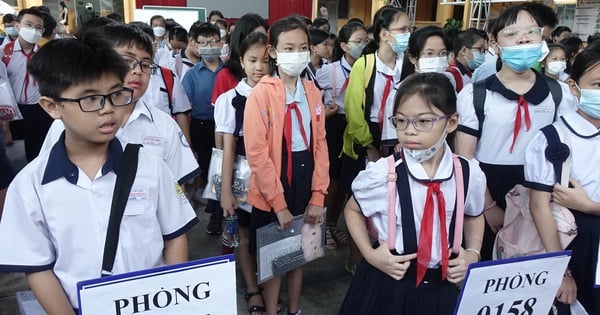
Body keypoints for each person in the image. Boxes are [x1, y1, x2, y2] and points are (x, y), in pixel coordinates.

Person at [0, 33, 199, 314]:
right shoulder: (30, 185)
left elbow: (175, 236)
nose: (108, 110)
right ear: (52, 106)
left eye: (116, 94)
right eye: (90, 99)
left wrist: (173, 301)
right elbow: (38, 268)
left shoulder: (150, 166)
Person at [339, 72, 485, 314]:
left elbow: (473, 214)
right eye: (401, 121)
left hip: (441, 285)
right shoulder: (383, 174)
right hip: (388, 281)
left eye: (424, 121)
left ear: (451, 122)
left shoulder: (468, 173)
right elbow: (352, 209)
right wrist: (370, 254)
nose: (410, 131)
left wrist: (473, 252)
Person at [454, 5, 578, 261]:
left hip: (543, 193)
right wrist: (488, 207)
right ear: (495, 43)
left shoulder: (559, 94)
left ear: (542, 38)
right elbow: (465, 159)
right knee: (490, 267)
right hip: (488, 188)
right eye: (512, 34)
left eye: (532, 32)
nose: (523, 39)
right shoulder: (476, 95)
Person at [41, 23, 199, 186]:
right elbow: (46, 179)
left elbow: (177, 187)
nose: (138, 71)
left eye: (145, 65)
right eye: (127, 61)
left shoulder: (164, 125)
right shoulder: (67, 123)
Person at [244, 16, 329, 315]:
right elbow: (257, 153)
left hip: (305, 176)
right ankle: (271, 310)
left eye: (303, 47)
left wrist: (318, 195)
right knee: (274, 256)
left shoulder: (312, 91)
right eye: (289, 47)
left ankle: (294, 310)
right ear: (274, 52)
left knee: (300, 252)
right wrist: (277, 204)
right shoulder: (262, 93)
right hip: (274, 180)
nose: (298, 54)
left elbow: (320, 144)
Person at [526, 42, 600, 314]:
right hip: (574, 243)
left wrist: (591, 206)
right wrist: (561, 269)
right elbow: (539, 206)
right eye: (598, 84)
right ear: (573, 86)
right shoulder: (554, 138)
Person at [215, 31, 270, 315]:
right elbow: (226, 148)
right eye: (252, 60)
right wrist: (226, 191)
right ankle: (252, 288)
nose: (259, 67)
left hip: (272, 178)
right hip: (242, 178)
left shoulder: (281, 95)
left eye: (264, 60)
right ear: (241, 61)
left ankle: (267, 281)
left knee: (269, 233)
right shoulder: (229, 100)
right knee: (244, 235)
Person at [340, 5, 410, 198]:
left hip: (400, 134)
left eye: (409, 29)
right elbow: (353, 109)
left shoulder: (409, 65)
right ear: (384, 34)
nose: (408, 34)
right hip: (369, 134)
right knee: (365, 191)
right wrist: (369, 147)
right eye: (402, 30)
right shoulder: (365, 64)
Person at [316, 21, 368, 251]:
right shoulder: (330, 71)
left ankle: (334, 222)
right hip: (336, 126)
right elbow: (315, 101)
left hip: (359, 127)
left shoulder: (369, 67)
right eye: (358, 41)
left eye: (366, 40)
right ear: (345, 46)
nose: (363, 45)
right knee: (332, 181)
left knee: (348, 182)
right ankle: (323, 227)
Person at [182, 22, 224, 233]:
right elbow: (185, 108)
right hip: (202, 127)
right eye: (204, 43)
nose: (209, 46)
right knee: (211, 171)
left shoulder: (230, 71)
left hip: (227, 127)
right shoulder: (191, 75)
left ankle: (225, 211)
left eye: (213, 41)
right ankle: (216, 215)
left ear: (221, 43)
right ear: (196, 46)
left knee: (229, 170)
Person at [4, 7, 52, 162]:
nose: (33, 30)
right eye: (28, 25)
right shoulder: (4, 52)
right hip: (12, 110)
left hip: (38, 108)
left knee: (37, 151)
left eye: (38, 27)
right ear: (17, 26)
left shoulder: (46, 53)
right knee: (11, 153)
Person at [445, 28, 486, 93]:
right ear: (464, 51)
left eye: (484, 50)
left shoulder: (471, 73)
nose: (483, 54)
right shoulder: (451, 75)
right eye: (479, 49)